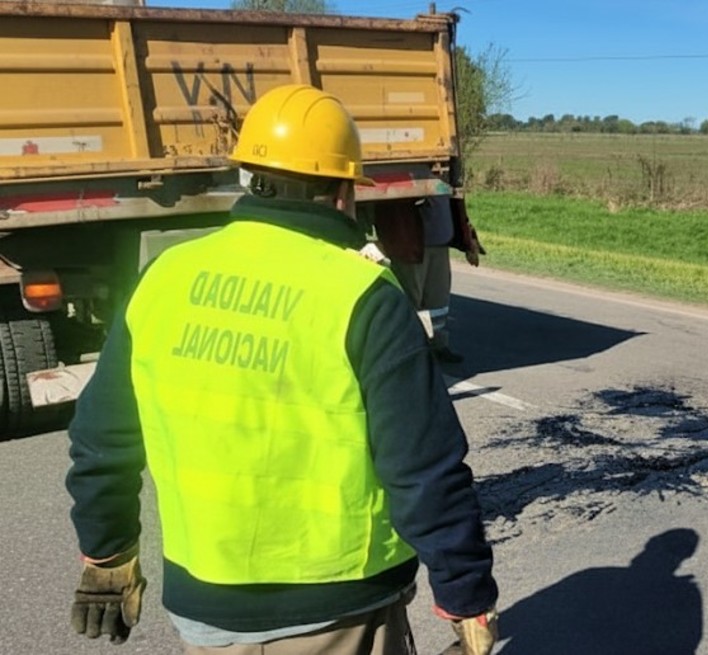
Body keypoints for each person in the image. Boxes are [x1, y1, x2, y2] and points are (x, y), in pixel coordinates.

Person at [65, 84, 499, 655]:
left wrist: (108, 556)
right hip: (342, 606)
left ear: (249, 176)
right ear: (345, 190)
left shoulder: (166, 276)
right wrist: (465, 593)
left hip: (207, 611)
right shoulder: (363, 293)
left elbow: (101, 439)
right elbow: (423, 466)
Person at [371, 188, 485, 365]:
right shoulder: (415, 175)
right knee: (412, 300)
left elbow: (457, 206)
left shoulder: (446, 176)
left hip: (440, 244)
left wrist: (469, 240)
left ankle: (437, 346)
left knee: (438, 302)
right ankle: (409, 350)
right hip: (412, 245)